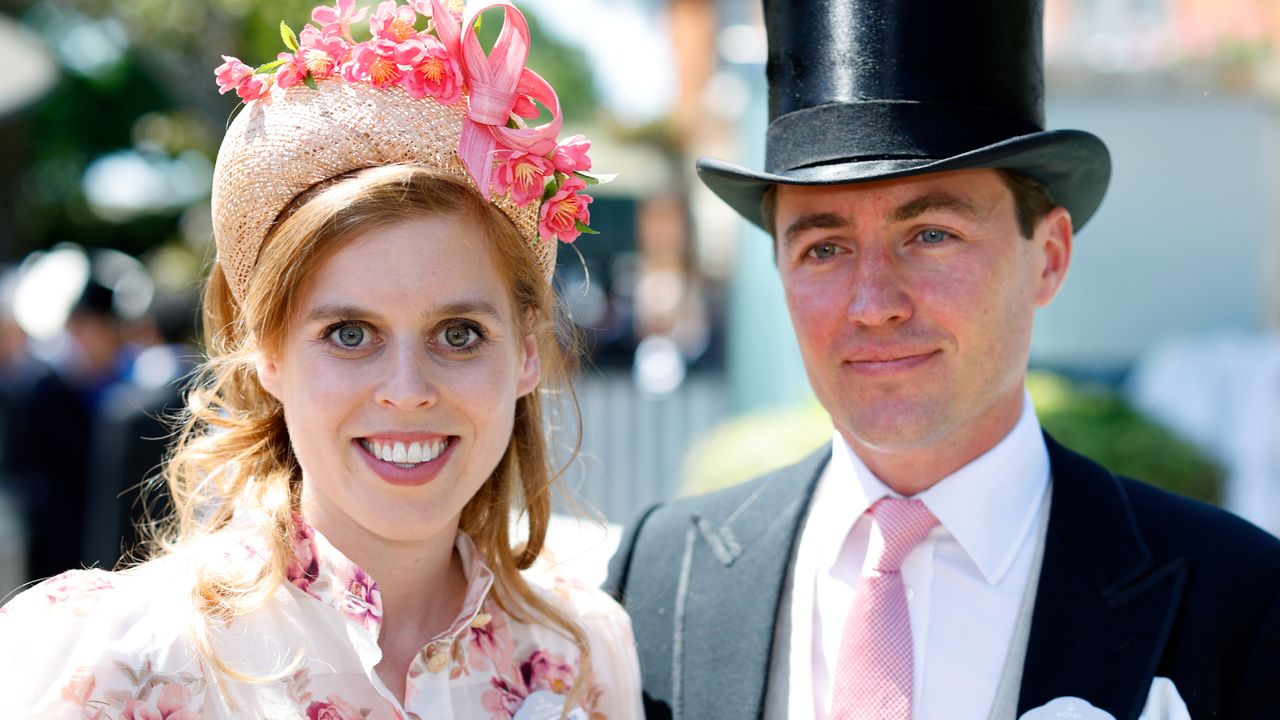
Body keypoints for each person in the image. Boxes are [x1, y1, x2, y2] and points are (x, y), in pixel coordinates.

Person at [607, 1, 1280, 718]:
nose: (873, 303)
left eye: (930, 234)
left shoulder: (1237, 598)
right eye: (824, 248)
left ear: (1047, 259)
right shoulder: (662, 574)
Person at [0, 1, 641, 717]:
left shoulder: (585, 654)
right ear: (267, 353)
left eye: (458, 334)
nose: (407, 391)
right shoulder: (117, 658)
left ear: (527, 354)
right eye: (350, 334)